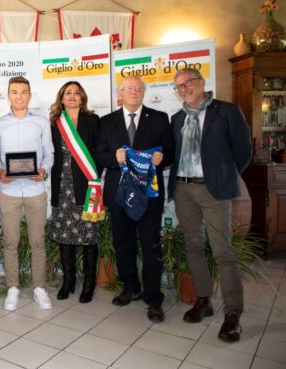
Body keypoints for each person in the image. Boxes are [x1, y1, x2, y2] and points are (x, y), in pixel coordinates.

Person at [168, 68, 252, 342]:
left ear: (201, 82)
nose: (184, 89)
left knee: (222, 251)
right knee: (193, 246)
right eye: (179, 86)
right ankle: (203, 300)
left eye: (188, 83)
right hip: (184, 189)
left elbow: (243, 152)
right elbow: (174, 153)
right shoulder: (177, 118)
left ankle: (233, 313)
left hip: (214, 190)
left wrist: (223, 176)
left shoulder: (226, 111)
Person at [95, 75, 174, 323]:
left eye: (138, 88)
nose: (133, 92)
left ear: (143, 92)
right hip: (119, 195)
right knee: (123, 244)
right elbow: (99, 155)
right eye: (128, 88)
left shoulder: (159, 118)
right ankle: (131, 288)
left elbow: (171, 152)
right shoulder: (107, 121)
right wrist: (114, 158)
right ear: (120, 93)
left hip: (149, 194)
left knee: (151, 246)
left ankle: (153, 297)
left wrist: (162, 159)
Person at [0, 76, 55, 311]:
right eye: (15, 92)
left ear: (30, 95)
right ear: (8, 95)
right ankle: (13, 287)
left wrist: (44, 170)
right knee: (10, 242)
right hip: (9, 191)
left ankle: (39, 288)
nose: (19, 96)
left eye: (23, 92)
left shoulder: (41, 123)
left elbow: (49, 153)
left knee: (38, 242)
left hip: (36, 190)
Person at [49, 81, 103, 303]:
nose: (72, 96)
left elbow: (100, 152)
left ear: (82, 98)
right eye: (68, 93)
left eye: (76, 93)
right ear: (61, 98)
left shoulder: (93, 120)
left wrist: (95, 178)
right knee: (65, 236)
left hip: (88, 186)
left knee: (89, 236)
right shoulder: (54, 123)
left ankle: (89, 283)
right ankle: (68, 279)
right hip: (62, 186)